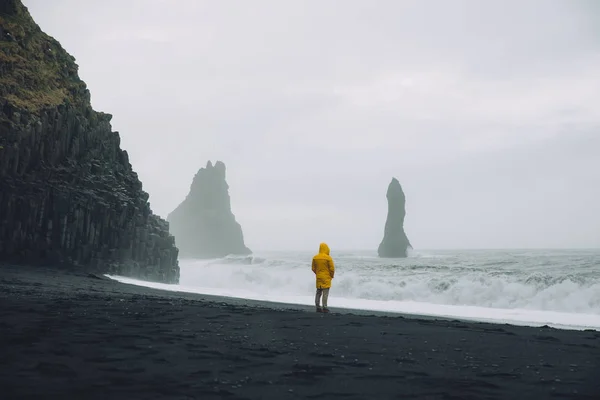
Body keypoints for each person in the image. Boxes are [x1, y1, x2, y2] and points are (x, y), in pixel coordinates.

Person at [311, 242, 335, 313]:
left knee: (318, 292)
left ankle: (317, 307)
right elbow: (332, 269)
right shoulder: (328, 258)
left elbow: (313, 268)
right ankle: (324, 307)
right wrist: (331, 275)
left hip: (318, 277)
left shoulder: (315, 257)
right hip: (326, 277)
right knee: (325, 292)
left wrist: (317, 273)